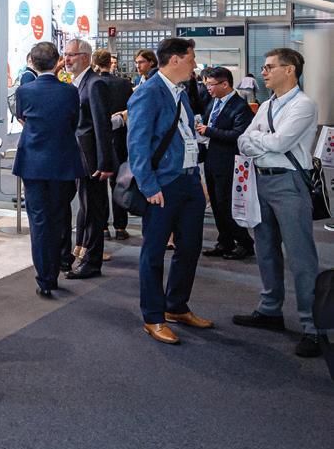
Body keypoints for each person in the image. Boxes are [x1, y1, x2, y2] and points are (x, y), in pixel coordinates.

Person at [234, 48, 321, 358]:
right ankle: (270, 309)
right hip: (260, 182)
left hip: (289, 184)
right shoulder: (267, 105)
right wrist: (262, 140)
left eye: (270, 67)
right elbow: (242, 140)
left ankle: (313, 327)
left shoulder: (304, 105)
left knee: (300, 257)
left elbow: (280, 142)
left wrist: (258, 139)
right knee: (265, 249)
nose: (263, 72)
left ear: (290, 70)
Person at [127, 37, 213, 345]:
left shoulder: (181, 93)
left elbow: (187, 137)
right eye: (191, 58)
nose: (195, 64)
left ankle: (176, 306)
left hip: (188, 180)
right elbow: (137, 144)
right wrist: (149, 185)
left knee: (189, 247)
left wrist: (197, 178)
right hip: (162, 185)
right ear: (174, 60)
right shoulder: (148, 93)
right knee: (153, 252)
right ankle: (153, 316)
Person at [13, 41, 83, 296]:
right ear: (57, 62)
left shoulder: (24, 91)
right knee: (59, 216)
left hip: (33, 163)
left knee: (39, 221)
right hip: (62, 162)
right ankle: (57, 266)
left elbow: (21, 117)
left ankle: (45, 277)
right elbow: (74, 121)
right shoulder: (70, 91)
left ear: (32, 62)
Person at [63, 38, 116, 279]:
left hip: (92, 160)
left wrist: (104, 163)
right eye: (65, 54)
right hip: (77, 157)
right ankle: (80, 255)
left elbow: (101, 126)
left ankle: (92, 262)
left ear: (85, 57)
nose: (66, 59)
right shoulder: (78, 83)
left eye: (71, 55)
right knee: (85, 208)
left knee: (93, 211)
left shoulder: (95, 84)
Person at [195, 67, 255, 260]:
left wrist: (209, 131)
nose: (208, 88)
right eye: (207, 84)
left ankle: (244, 243)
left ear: (225, 84)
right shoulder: (213, 102)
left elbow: (239, 135)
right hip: (212, 159)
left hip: (229, 161)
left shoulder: (239, 107)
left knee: (226, 204)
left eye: (211, 85)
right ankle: (225, 242)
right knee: (216, 204)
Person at [93, 48, 133, 240]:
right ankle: (120, 227)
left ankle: (102, 227)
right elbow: (130, 111)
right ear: (111, 63)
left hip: (98, 140)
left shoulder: (92, 83)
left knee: (99, 186)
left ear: (94, 63)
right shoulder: (124, 84)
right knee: (120, 182)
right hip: (120, 138)